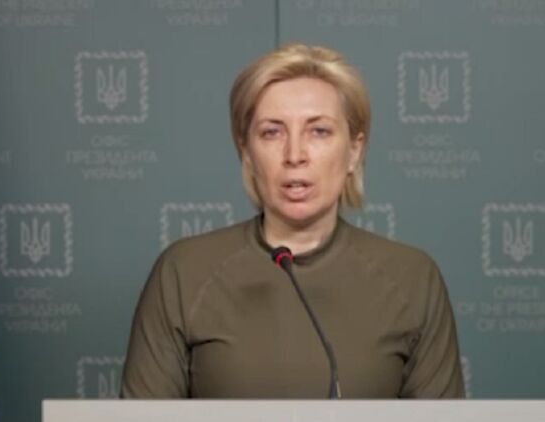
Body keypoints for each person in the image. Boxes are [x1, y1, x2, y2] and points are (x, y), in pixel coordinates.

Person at [121, 43, 465, 398]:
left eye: (319, 131)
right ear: (247, 152)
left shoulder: (413, 278)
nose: (295, 154)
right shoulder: (183, 273)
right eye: (272, 132)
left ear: (354, 150)